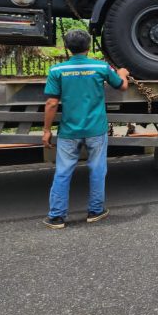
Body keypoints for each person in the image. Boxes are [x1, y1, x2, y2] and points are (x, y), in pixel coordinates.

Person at [42, 29, 129, 229]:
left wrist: (47, 130)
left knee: (63, 171)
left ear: (67, 48)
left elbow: (51, 103)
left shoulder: (56, 71)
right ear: (89, 47)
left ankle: (56, 217)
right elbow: (122, 86)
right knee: (97, 169)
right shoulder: (100, 67)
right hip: (95, 129)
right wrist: (122, 74)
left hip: (68, 131)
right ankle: (95, 211)